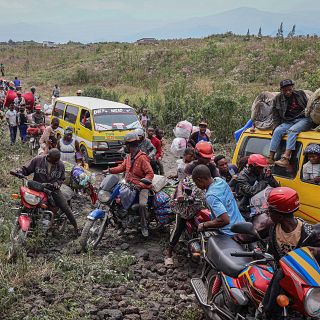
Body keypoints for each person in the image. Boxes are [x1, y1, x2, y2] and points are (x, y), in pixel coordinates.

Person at [257, 187, 320, 318]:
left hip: (303, 281)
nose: (268, 213)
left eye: (270, 211)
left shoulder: (308, 233)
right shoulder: (272, 226)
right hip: (279, 278)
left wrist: (314, 251)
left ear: (279, 215)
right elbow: (255, 233)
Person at [17, 148, 79, 235]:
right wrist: (19, 172)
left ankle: (76, 227)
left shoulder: (60, 164)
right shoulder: (37, 160)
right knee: (24, 202)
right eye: (55, 160)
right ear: (48, 156)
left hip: (52, 189)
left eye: (57, 160)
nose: (56, 162)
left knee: (65, 207)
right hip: (37, 187)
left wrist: (57, 183)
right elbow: (26, 169)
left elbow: (61, 178)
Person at [105, 132, 154, 237]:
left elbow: (150, 174)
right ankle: (122, 225)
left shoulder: (142, 158)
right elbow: (122, 167)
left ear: (130, 145)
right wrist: (109, 170)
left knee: (142, 205)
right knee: (116, 201)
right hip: (128, 185)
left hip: (141, 187)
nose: (124, 147)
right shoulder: (128, 156)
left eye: (125, 145)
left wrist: (141, 184)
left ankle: (144, 226)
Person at [268, 79, 314, 167]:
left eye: (290, 89)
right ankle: (270, 157)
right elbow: (275, 115)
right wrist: (275, 127)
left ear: (292, 87)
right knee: (277, 131)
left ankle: (286, 158)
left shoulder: (300, 94)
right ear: (281, 90)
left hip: (303, 119)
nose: (288, 92)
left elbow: (309, 106)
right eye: (285, 90)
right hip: (289, 121)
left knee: (292, 131)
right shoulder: (277, 98)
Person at [236, 154, 279, 218]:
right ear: (252, 166)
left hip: (261, 205)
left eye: (262, 167)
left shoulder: (261, 172)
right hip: (246, 208)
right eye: (260, 168)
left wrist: (269, 177)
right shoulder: (242, 176)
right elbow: (250, 191)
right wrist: (264, 182)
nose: (262, 170)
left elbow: (276, 187)